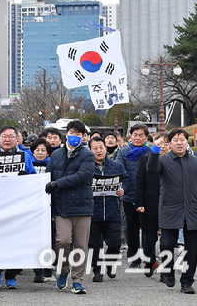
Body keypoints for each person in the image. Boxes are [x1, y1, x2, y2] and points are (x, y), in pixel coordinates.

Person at [147, 128, 197, 294]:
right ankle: (168, 272)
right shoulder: (163, 160)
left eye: (182, 140)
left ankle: (187, 282)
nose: (179, 143)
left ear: (187, 142)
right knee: (166, 244)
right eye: (175, 140)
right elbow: (151, 169)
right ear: (170, 143)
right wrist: (155, 149)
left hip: (192, 211)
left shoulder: (196, 162)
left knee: (191, 249)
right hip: (169, 209)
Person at [0, 126, 36, 289]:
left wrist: (27, 177)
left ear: (17, 139)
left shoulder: (25, 156)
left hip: (17, 205)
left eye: (11, 136)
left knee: (15, 241)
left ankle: (11, 276)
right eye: (4, 136)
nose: (7, 139)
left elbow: (34, 177)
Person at [45, 120, 95, 294]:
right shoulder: (56, 154)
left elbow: (83, 176)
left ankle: (78, 280)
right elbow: (47, 175)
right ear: (66, 134)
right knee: (63, 241)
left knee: (81, 245)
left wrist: (57, 183)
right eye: (72, 133)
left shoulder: (88, 155)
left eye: (79, 134)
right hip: (61, 206)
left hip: (82, 206)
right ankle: (63, 271)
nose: (75, 136)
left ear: (83, 137)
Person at [88, 136, 128, 282]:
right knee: (94, 244)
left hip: (112, 212)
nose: (99, 151)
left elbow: (127, 180)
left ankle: (111, 263)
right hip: (93, 212)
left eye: (101, 147)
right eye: (95, 148)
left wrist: (123, 189)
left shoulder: (116, 166)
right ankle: (97, 271)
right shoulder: (86, 167)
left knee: (115, 243)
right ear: (90, 150)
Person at [115, 124, 151, 268]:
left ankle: (148, 257)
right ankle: (134, 258)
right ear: (130, 137)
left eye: (141, 135)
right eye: (135, 135)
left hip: (147, 198)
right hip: (129, 196)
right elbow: (119, 170)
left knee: (148, 230)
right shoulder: (123, 152)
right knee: (131, 229)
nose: (137, 138)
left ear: (146, 138)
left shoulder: (150, 153)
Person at [135, 132, 169, 277]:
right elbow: (139, 184)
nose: (162, 147)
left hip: (169, 206)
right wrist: (140, 203)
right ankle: (150, 261)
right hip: (149, 205)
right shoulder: (145, 161)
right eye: (158, 143)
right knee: (148, 240)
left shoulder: (172, 162)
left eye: (165, 144)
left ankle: (166, 271)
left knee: (166, 241)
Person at [30, 137, 53, 283]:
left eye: (43, 150)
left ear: (48, 153)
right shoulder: (27, 166)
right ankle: (37, 271)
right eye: (37, 150)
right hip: (32, 206)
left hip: (50, 205)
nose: (40, 153)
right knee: (35, 239)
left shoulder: (53, 165)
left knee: (49, 238)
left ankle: (48, 269)